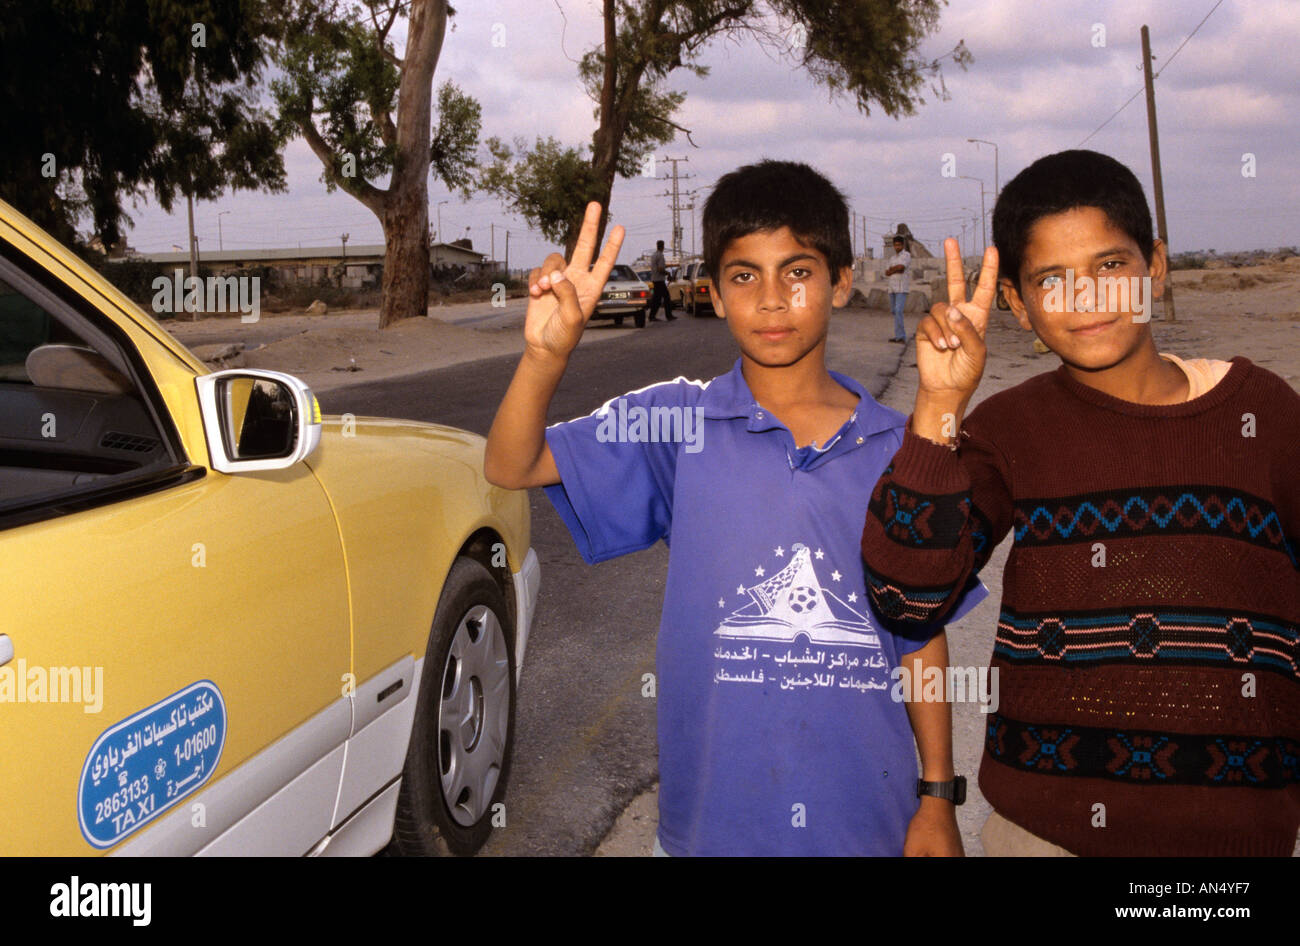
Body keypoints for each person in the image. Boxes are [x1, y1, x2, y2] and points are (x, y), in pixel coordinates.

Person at [484, 161, 986, 856]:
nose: (772, 300)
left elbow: (921, 635)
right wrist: (544, 354)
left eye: (798, 272)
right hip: (708, 830)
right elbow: (511, 464)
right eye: (744, 276)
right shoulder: (677, 423)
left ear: (840, 282)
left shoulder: (904, 450)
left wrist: (936, 797)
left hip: (868, 823)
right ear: (715, 294)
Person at [859, 149, 1300, 856]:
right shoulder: (1007, 432)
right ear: (1017, 303)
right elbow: (904, 598)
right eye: (1051, 280)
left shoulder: (1265, 417)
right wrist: (940, 404)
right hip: (1044, 835)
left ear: (1154, 265)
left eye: (1109, 267)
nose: (1086, 299)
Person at [885, 235, 911, 342]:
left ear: (902, 245)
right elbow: (887, 272)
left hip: (901, 288)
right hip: (892, 288)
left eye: (899, 245)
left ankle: (901, 336)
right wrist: (893, 269)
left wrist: (893, 269)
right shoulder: (892, 258)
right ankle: (897, 335)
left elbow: (901, 268)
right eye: (895, 245)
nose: (897, 247)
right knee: (894, 311)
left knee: (898, 311)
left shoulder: (906, 255)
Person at [646, 239, 676, 322]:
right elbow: (660, 269)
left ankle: (652, 316)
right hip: (659, 280)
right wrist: (668, 273)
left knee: (657, 299)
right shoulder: (660, 256)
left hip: (655, 279)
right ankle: (668, 315)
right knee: (666, 297)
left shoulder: (654, 255)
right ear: (663, 246)